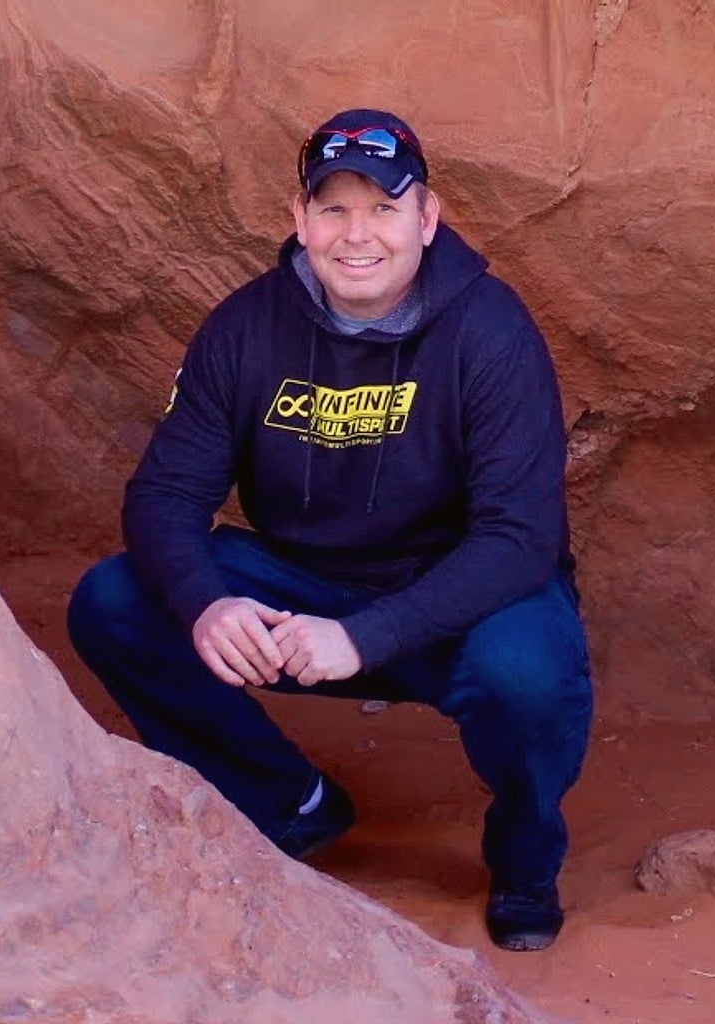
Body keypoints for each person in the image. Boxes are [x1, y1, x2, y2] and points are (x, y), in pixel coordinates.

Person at [67, 108, 593, 952]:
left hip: (452, 600)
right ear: (300, 221)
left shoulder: (492, 333)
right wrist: (207, 603)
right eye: (334, 208)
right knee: (115, 599)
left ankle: (527, 863)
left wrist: (367, 634)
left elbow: (520, 538)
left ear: (427, 218)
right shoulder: (244, 329)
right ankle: (289, 803)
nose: (359, 234)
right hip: (298, 596)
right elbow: (164, 494)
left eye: (384, 208)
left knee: (529, 668)